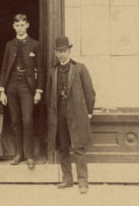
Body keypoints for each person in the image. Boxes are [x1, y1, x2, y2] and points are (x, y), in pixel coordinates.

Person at [48, 36, 95, 195]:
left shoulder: (80, 68)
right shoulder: (53, 71)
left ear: (69, 51)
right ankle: (67, 179)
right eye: (59, 51)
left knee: (79, 148)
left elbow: (90, 93)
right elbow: (49, 96)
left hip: (76, 115)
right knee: (63, 148)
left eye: (64, 51)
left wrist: (88, 113)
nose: (62, 54)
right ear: (55, 53)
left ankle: (83, 182)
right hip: (59, 115)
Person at [0, 13, 44, 169]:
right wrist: (2, 90)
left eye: (22, 25)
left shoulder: (34, 45)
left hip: (27, 87)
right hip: (11, 87)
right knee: (15, 121)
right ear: (13, 27)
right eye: (17, 25)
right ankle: (19, 153)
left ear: (28, 25)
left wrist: (38, 90)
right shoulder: (9, 45)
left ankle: (30, 155)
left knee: (28, 121)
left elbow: (41, 69)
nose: (19, 28)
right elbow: (4, 68)